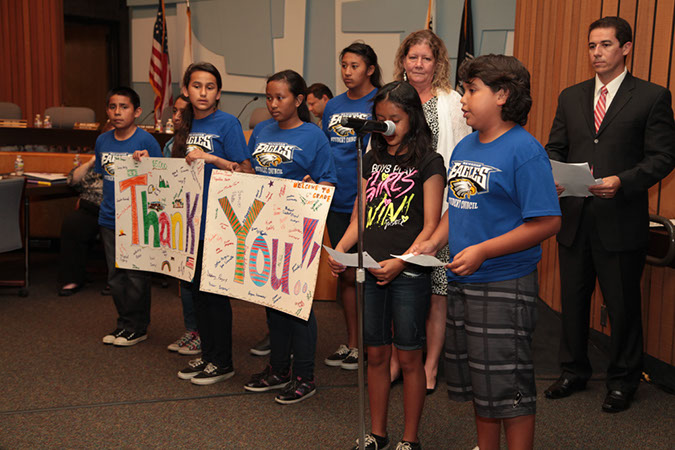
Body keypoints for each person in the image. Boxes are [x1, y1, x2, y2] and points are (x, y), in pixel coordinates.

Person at [414, 54, 561, 449]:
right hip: (465, 280)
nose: (462, 97)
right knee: (481, 382)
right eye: (464, 88)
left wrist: (482, 250)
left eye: (471, 89)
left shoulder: (524, 151)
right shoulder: (464, 146)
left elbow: (547, 222)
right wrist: (433, 242)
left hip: (504, 284)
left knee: (509, 388)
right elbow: (456, 207)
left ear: (502, 95)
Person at [544, 16, 675, 413]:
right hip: (574, 218)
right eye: (591, 46)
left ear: (626, 48)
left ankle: (623, 380)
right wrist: (554, 174)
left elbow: (663, 157)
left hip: (619, 220)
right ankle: (573, 370)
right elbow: (555, 147)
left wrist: (623, 180)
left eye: (604, 45)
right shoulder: (571, 96)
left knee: (622, 307)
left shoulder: (652, 97)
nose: (596, 53)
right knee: (574, 301)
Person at [328, 81, 445, 450]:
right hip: (368, 267)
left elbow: (430, 224)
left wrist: (402, 261)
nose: (386, 126)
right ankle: (377, 433)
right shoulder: (372, 157)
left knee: (409, 357)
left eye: (394, 119)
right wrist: (341, 250)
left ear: (411, 116)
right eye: (380, 119)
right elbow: (359, 213)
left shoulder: (429, 161)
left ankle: (410, 440)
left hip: (409, 270)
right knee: (375, 354)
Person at [141, 62, 252, 384]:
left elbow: (245, 172)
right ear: (187, 91)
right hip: (186, 222)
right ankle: (207, 355)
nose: (203, 93)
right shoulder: (184, 124)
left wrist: (214, 159)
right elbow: (172, 170)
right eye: (196, 86)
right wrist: (144, 163)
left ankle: (223, 361)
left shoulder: (227, 123)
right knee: (197, 295)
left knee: (215, 295)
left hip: (218, 222)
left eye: (210, 87)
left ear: (218, 92)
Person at [244, 69, 337, 405]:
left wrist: (313, 188)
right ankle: (278, 369)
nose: (272, 104)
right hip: (263, 228)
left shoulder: (314, 137)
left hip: (298, 231)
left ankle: (305, 377)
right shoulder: (261, 130)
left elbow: (328, 182)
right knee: (272, 303)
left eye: (279, 97)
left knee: (297, 305)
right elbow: (251, 171)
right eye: (268, 97)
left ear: (298, 100)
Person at [393, 29, 472, 394]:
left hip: (437, 211)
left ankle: (430, 364)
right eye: (413, 57)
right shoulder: (393, 98)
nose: (419, 64)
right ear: (403, 60)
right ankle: (397, 359)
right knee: (396, 288)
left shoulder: (452, 101)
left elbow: (460, 155)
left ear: (437, 63)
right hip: (395, 208)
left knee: (436, 292)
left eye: (427, 58)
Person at [321, 42, 382, 371]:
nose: (347, 72)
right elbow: (326, 147)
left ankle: (377, 345)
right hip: (337, 200)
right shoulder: (333, 105)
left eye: (355, 66)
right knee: (344, 273)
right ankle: (353, 343)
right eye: (344, 65)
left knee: (372, 274)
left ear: (370, 69)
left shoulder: (380, 101)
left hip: (371, 202)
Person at [95, 86, 163, 346]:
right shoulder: (103, 140)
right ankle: (123, 323)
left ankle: (138, 326)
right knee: (115, 275)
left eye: (124, 107)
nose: (117, 112)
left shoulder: (145, 141)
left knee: (136, 275)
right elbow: (105, 176)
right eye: (112, 107)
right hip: (110, 217)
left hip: (137, 218)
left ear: (137, 112)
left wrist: (144, 163)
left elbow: (159, 177)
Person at [161, 94, 202, 356]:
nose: (175, 117)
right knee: (184, 279)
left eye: (181, 112)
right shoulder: (168, 146)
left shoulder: (202, 144)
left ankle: (205, 332)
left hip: (204, 218)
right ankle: (192, 330)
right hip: (180, 219)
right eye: (173, 111)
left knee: (200, 282)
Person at [57, 156, 103, 296]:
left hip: (117, 208)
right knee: (73, 223)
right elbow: (72, 180)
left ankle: (118, 281)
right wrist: (90, 163)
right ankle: (73, 279)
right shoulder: (96, 163)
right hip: (90, 207)